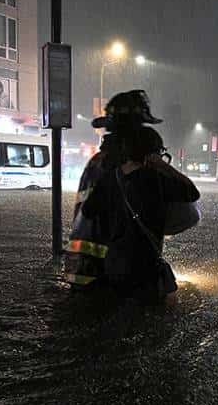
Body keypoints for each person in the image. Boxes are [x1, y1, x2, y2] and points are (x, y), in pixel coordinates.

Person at [81, 126, 200, 303]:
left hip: (114, 265)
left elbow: (88, 211)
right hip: (146, 269)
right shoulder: (156, 180)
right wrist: (162, 166)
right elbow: (192, 193)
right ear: (152, 153)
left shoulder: (110, 179)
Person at [63, 90, 162, 288]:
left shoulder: (97, 162)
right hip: (118, 272)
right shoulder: (130, 169)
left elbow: (87, 212)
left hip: (82, 269)